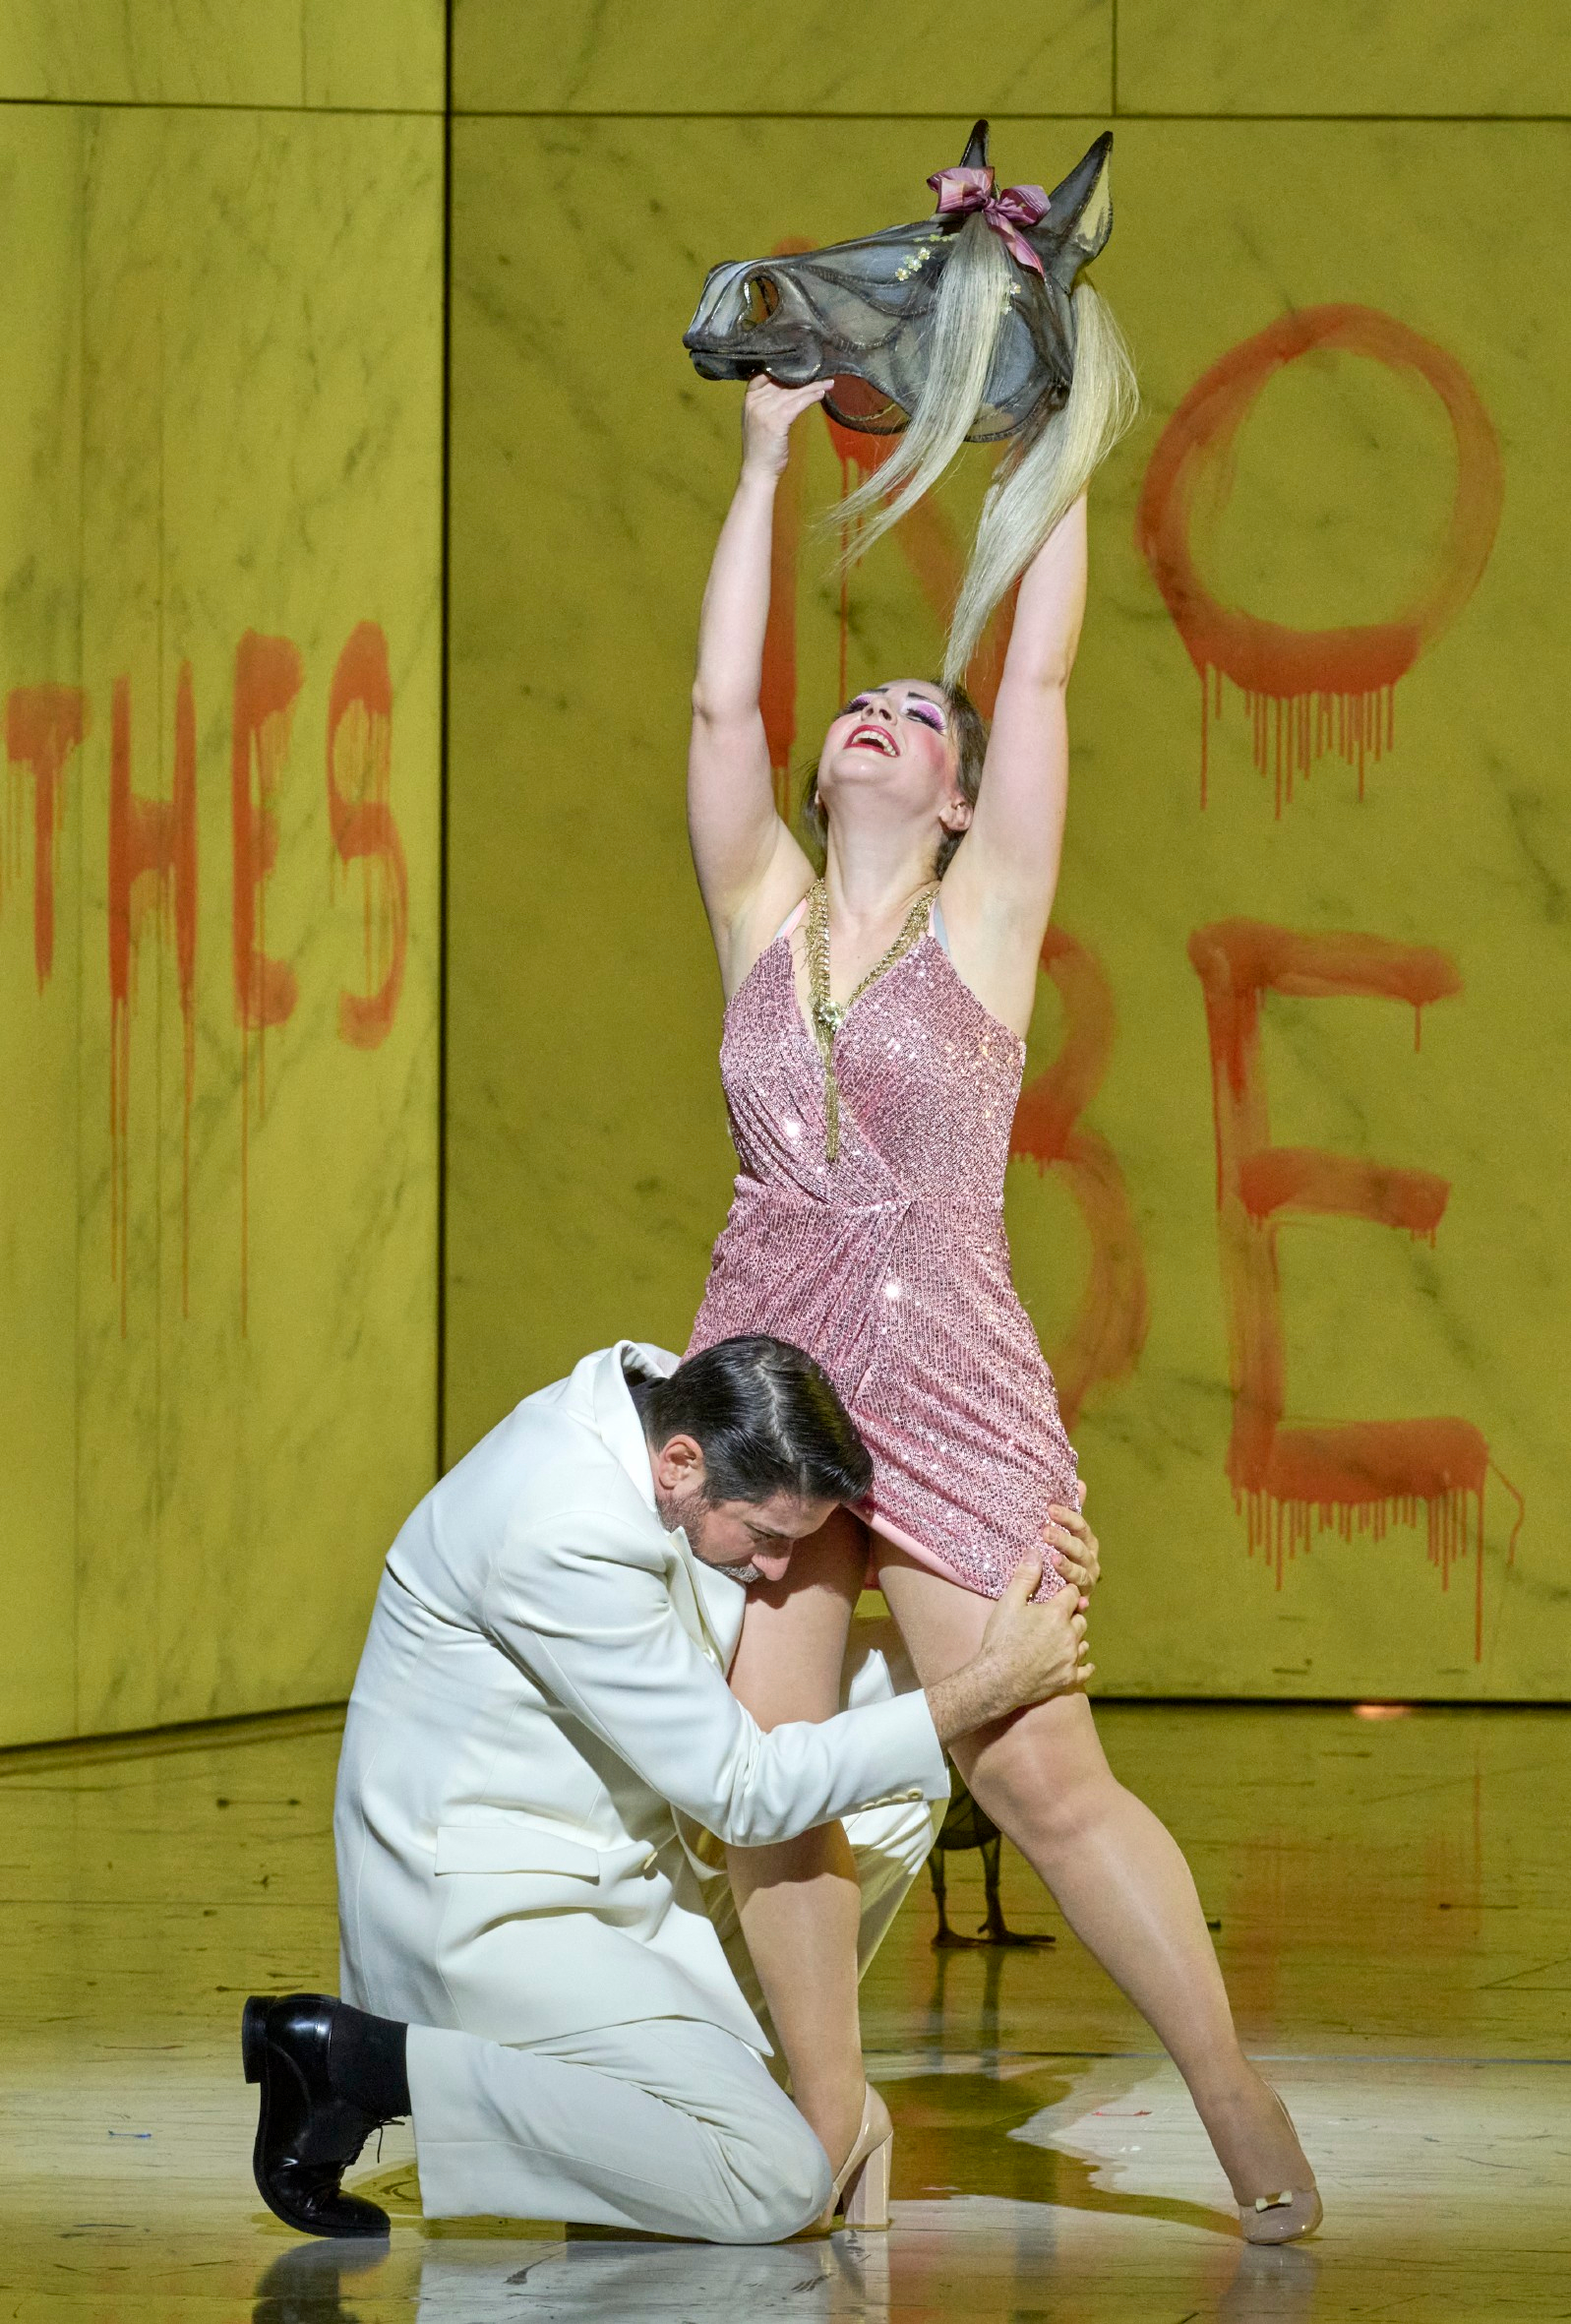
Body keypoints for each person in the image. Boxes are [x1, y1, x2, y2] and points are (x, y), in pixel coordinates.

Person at [682, 377, 1322, 2244]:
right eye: (861, 705)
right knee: (766, 1783)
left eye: (921, 718)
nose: (883, 709)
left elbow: (1034, 679)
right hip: (771, 1382)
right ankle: (832, 2114)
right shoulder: (760, 910)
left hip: (949, 1373)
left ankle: (1222, 2084)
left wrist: (1049, 424)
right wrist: (762, 455)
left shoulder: (987, 917)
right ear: (830, 771)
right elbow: (723, 703)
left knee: (1035, 1764)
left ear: (955, 797)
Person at [241, 1334, 1093, 2244]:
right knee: (772, 2185)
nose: (776, 1572)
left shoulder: (669, 1414)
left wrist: (1014, 1611)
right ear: (681, 1465)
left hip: (609, 1869)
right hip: (490, 1919)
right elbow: (743, 1789)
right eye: (766, 1539)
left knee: (900, 1770)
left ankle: (742, 2082)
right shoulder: (559, 1524)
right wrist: (984, 1686)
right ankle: (357, 2065)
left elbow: (779, 1693)